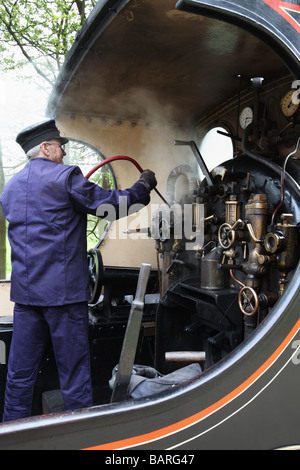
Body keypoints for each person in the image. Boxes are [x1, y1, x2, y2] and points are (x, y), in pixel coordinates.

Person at [0, 119, 157, 422]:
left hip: (26, 299)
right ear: (45, 148)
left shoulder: (10, 188)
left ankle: (11, 433)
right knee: (73, 379)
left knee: (19, 376)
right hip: (63, 298)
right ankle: (81, 436)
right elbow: (113, 206)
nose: (64, 154)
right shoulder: (65, 177)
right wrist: (143, 185)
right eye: (60, 147)